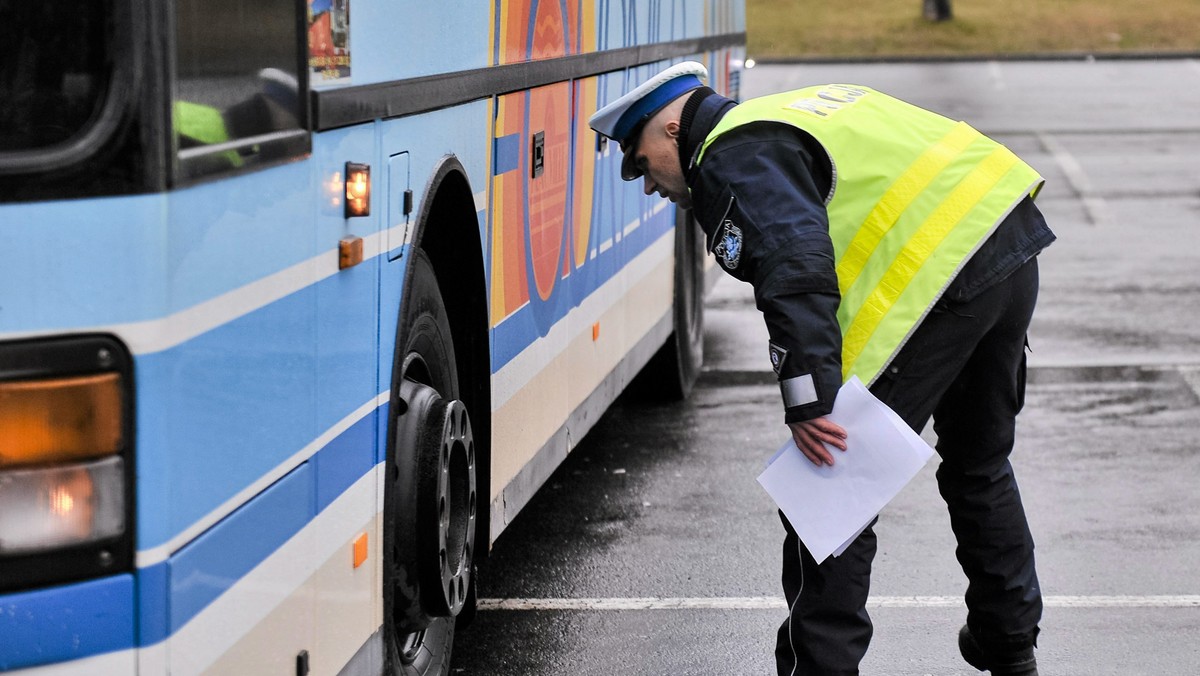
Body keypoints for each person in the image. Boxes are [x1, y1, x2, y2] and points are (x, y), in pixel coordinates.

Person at [589, 62, 1053, 676]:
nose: (646, 183)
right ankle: (1009, 642)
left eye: (640, 160)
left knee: (828, 492)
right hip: (1005, 241)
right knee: (979, 462)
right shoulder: (789, 111)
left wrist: (808, 400)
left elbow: (794, 267)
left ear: (673, 130)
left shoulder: (733, 155)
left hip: (940, 281)